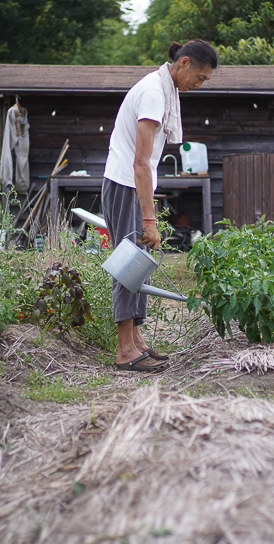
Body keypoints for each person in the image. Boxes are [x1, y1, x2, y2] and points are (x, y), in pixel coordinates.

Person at [102, 39, 219, 373]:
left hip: (131, 183)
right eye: (200, 77)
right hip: (126, 183)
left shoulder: (164, 89)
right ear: (184, 63)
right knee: (129, 265)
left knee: (141, 265)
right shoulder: (154, 94)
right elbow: (141, 162)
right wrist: (149, 218)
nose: (199, 85)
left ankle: (136, 341)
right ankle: (125, 351)